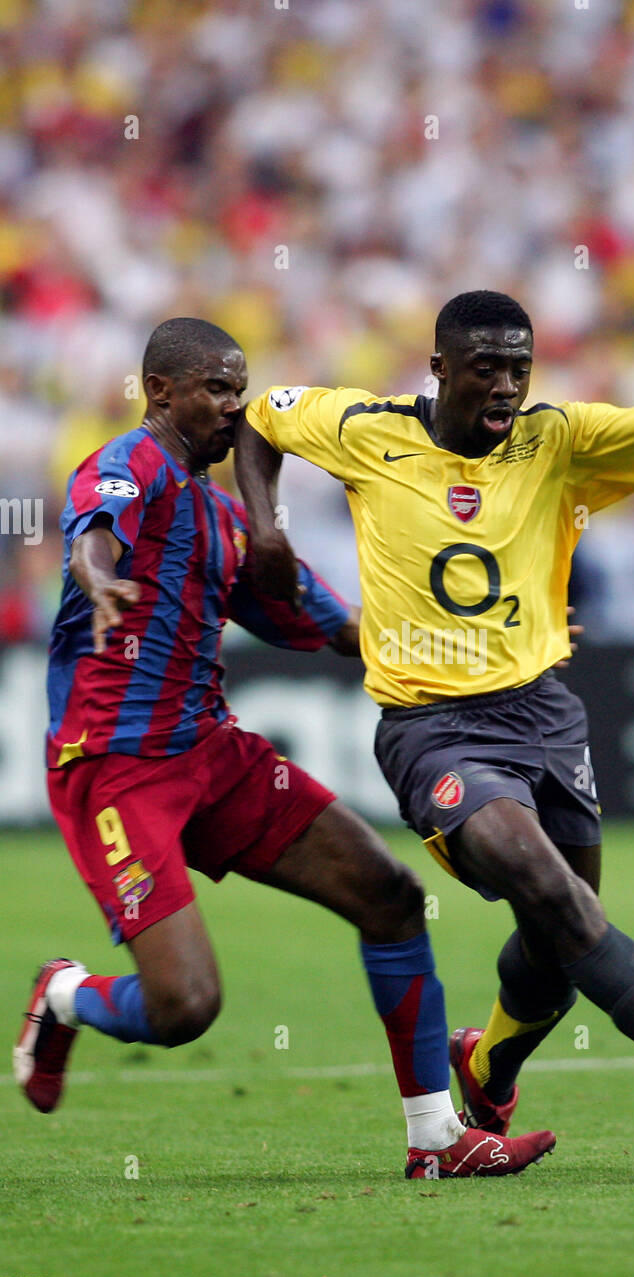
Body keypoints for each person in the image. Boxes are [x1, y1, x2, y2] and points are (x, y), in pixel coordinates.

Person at [235, 275, 634, 1158]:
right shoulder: (365, 430)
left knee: (559, 940)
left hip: (546, 716)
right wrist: (266, 529)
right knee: (560, 905)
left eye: (518, 370)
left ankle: (487, 1068)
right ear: (439, 367)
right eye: (486, 369)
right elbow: (262, 420)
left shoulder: (560, 440)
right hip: (435, 730)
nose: (505, 387)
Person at [13, 316, 557, 1180]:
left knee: (391, 898)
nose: (237, 407)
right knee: (186, 1005)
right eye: (218, 390)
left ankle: (436, 1141)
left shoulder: (231, 522)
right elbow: (92, 529)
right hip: (115, 767)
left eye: (241, 388)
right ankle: (67, 996)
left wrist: (462, 643)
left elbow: (337, 626)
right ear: (161, 393)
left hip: (211, 753)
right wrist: (96, 575)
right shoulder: (132, 463)